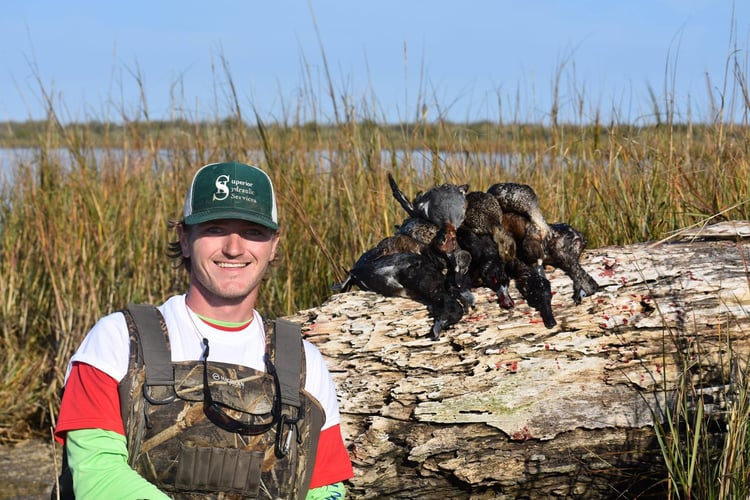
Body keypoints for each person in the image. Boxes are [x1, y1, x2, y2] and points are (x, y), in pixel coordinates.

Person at [54, 161, 354, 499]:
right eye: (215, 228)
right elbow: (97, 477)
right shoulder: (116, 341)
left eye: (253, 232)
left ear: (274, 246)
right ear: (184, 238)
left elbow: (325, 489)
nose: (234, 247)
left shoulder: (304, 363)